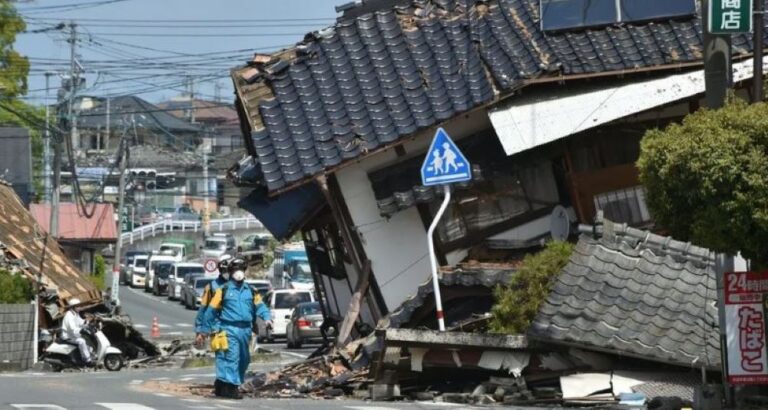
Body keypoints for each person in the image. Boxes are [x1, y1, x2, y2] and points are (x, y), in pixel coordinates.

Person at [205, 267, 271, 399]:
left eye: (241, 269)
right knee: (231, 358)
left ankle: (223, 383)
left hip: (246, 330)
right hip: (229, 328)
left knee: (244, 359)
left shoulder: (251, 291)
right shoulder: (222, 290)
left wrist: (267, 318)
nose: (239, 272)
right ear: (230, 272)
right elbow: (211, 310)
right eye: (236, 269)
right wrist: (205, 329)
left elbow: (260, 306)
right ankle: (231, 388)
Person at [61, 298, 93, 366]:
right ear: (73, 307)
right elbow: (72, 328)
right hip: (68, 336)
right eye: (77, 306)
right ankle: (87, 360)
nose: (79, 307)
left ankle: (88, 356)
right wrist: (81, 330)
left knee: (87, 340)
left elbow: (80, 323)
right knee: (82, 341)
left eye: (79, 306)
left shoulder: (75, 314)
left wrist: (87, 321)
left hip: (74, 335)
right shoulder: (69, 315)